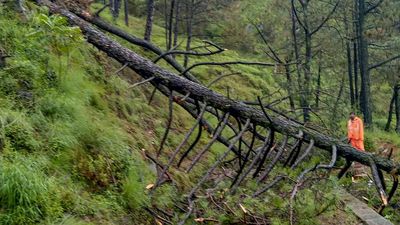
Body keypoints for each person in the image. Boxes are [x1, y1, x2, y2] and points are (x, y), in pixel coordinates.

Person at [347, 112, 365, 181]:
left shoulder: (359, 120)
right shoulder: (349, 122)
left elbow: (361, 130)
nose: (351, 116)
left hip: (359, 139)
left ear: (354, 115)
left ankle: (361, 171)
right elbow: (349, 130)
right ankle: (355, 175)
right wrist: (349, 139)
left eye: (352, 114)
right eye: (350, 114)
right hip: (352, 140)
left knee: (361, 152)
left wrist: (361, 138)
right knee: (354, 154)